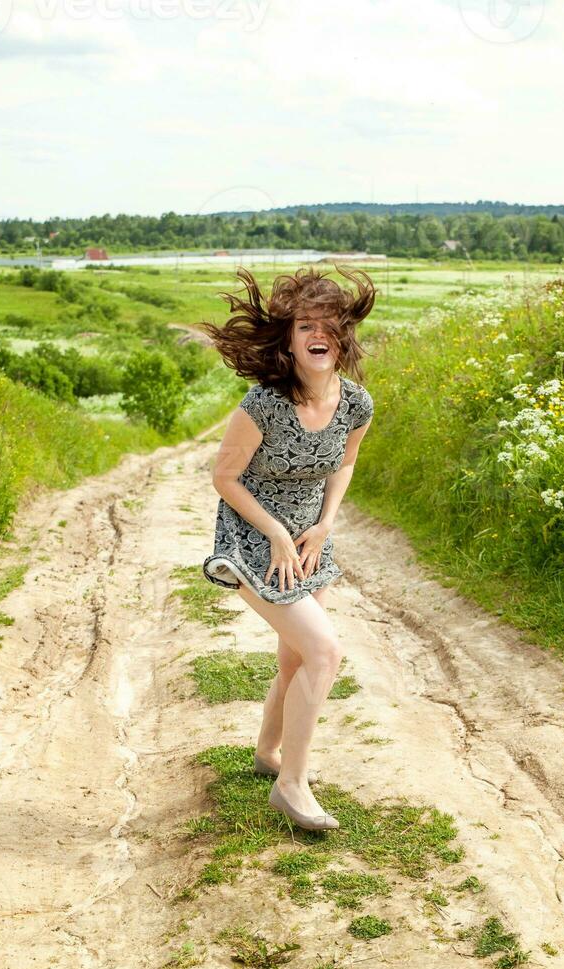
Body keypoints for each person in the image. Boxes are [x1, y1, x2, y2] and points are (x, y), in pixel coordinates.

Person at [199, 264, 376, 832]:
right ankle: (292, 784)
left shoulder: (356, 405)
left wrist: (324, 525)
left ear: (344, 335)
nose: (318, 332)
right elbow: (224, 478)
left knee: (296, 655)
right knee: (324, 651)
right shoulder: (263, 405)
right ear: (289, 339)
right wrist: (275, 530)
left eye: (329, 323)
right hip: (256, 540)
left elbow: (344, 463)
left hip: (308, 541)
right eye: (305, 325)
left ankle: (267, 752)